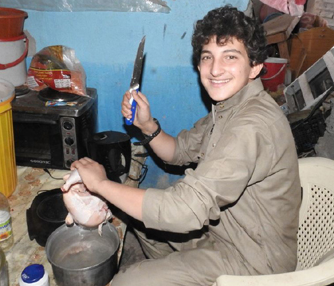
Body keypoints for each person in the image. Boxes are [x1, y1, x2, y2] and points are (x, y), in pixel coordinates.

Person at [71, 5, 301, 286]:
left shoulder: (252, 127)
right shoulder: (229, 107)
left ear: (255, 67)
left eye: (230, 56)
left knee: (128, 281)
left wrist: (101, 184)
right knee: (142, 219)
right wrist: (147, 127)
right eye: (208, 57)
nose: (215, 70)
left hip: (255, 260)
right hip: (224, 233)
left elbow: (184, 211)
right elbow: (178, 151)